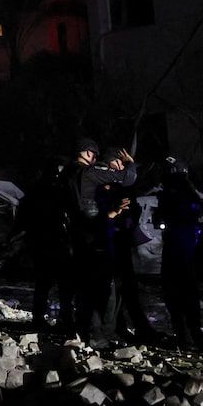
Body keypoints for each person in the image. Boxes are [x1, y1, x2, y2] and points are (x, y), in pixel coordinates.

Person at [70, 139, 136, 343]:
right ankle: (100, 334)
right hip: (96, 240)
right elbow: (127, 179)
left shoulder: (73, 175)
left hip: (85, 239)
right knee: (104, 291)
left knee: (90, 290)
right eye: (93, 154)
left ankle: (93, 331)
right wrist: (130, 165)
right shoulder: (90, 174)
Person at [158, 153, 203, 351]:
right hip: (182, 251)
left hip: (179, 251)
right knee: (184, 295)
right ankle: (191, 336)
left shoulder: (178, 193)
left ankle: (188, 336)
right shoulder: (181, 192)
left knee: (178, 295)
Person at [100, 146, 159, 344]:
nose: (120, 167)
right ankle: (114, 329)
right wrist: (131, 165)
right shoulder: (104, 184)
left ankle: (128, 327)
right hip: (113, 241)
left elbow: (131, 194)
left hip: (121, 241)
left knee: (126, 289)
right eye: (117, 163)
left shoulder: (119, 186)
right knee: (117, 288)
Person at [18, 157, 74, 328]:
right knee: (59, 284)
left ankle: (42, 318)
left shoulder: (37, 190)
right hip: (52, 241)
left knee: (46, 283)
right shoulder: (59, 190)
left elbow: (23, 216)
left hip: (44, 242)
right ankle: (62, 318)